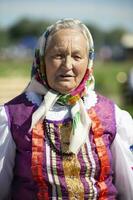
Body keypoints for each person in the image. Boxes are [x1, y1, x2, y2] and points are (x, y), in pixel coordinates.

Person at [0, 19, 133, 200]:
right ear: (41, 59)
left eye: (77, 56)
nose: (67, 65)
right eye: (58, 55)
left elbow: (129, 189)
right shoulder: (12, 117)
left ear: (89, 61)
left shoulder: (112, 116)